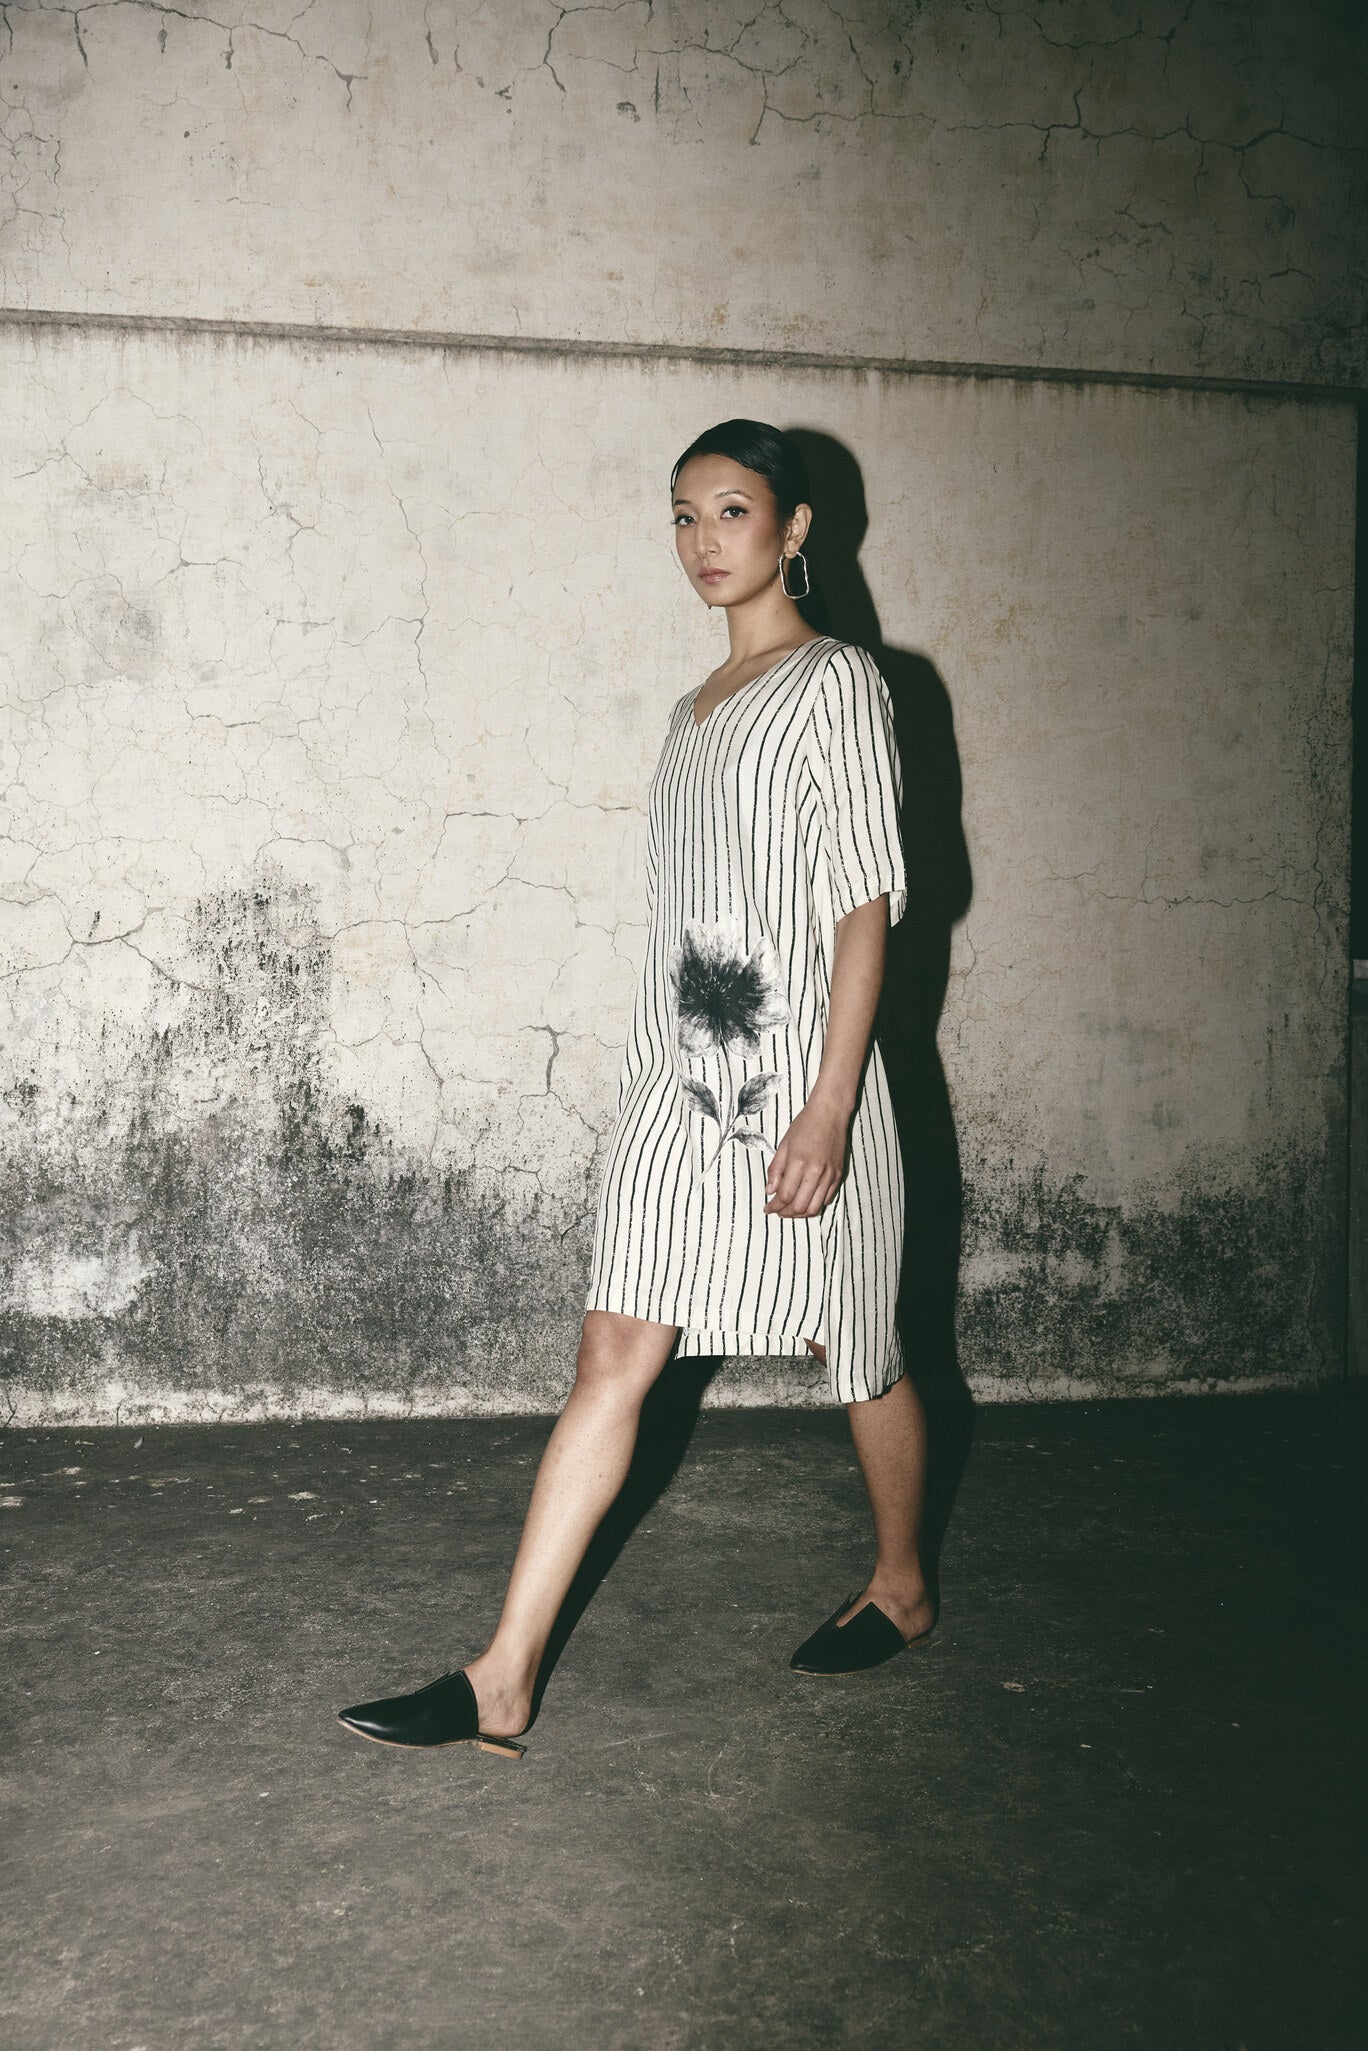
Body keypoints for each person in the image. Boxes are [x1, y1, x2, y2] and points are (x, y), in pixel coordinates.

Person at [338, 419, 934, 1759]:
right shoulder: (694, 710)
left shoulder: (837, 682)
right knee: (613, 1357)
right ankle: (503, 1677)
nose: (703, 541)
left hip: (803, 1080)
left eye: (732, 511)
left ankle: (902, 1583)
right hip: (682, 1088)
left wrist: (831, 1103)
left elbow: (864, 906)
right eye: (682, 515)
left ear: (794, 530)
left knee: (856, 1344)